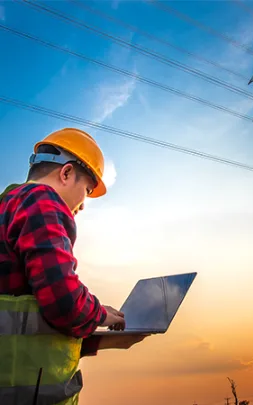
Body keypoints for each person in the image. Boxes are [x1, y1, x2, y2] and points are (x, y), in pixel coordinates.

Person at [0, 128, 148, 405]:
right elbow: (63, 301)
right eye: (87, 190)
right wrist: (100, 313)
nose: (82, 205)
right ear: (66, 173)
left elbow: (22, 324)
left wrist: (106, 339)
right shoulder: (41, 201)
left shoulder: (7, 205)